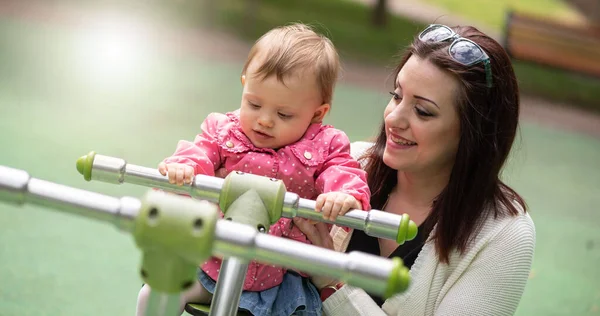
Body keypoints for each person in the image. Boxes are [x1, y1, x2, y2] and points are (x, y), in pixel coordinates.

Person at [293, 24, 536, 315]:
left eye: (422, 111)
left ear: (473, 133)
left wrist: (332, 282)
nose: (394, 118)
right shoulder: (347, 165)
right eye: (396, 96)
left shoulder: (502, 233)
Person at [136, 23, 371, 316]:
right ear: (244, 84)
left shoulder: (326, 144)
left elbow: (342, 170)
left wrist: (344, 194)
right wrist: (185, 167)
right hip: (212, 263)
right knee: (157, 291)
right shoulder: (225, 130)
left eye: (283, 114)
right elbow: (200, 151)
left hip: (281, 280)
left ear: (317, 113)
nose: (264, 120)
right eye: (254, 103)